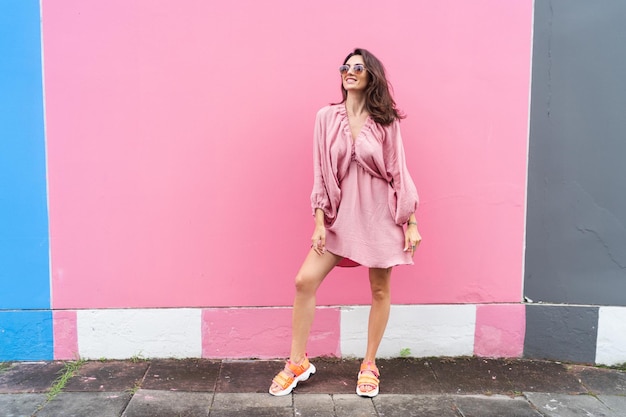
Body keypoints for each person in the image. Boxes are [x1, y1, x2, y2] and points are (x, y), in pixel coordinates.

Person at [269, 48, 421, 398]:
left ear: (371, 77)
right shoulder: (326, 117)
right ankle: (297, 362)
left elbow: (399, 171)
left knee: (380, 289)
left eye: (358, 67)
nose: (349, 72)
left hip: (380, 214)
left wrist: (411, 221)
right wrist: (320, 220)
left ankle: (369, 363)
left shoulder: (385, 121)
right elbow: (321, 174)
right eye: (345, 67)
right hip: (340, 216)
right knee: (304, 280)